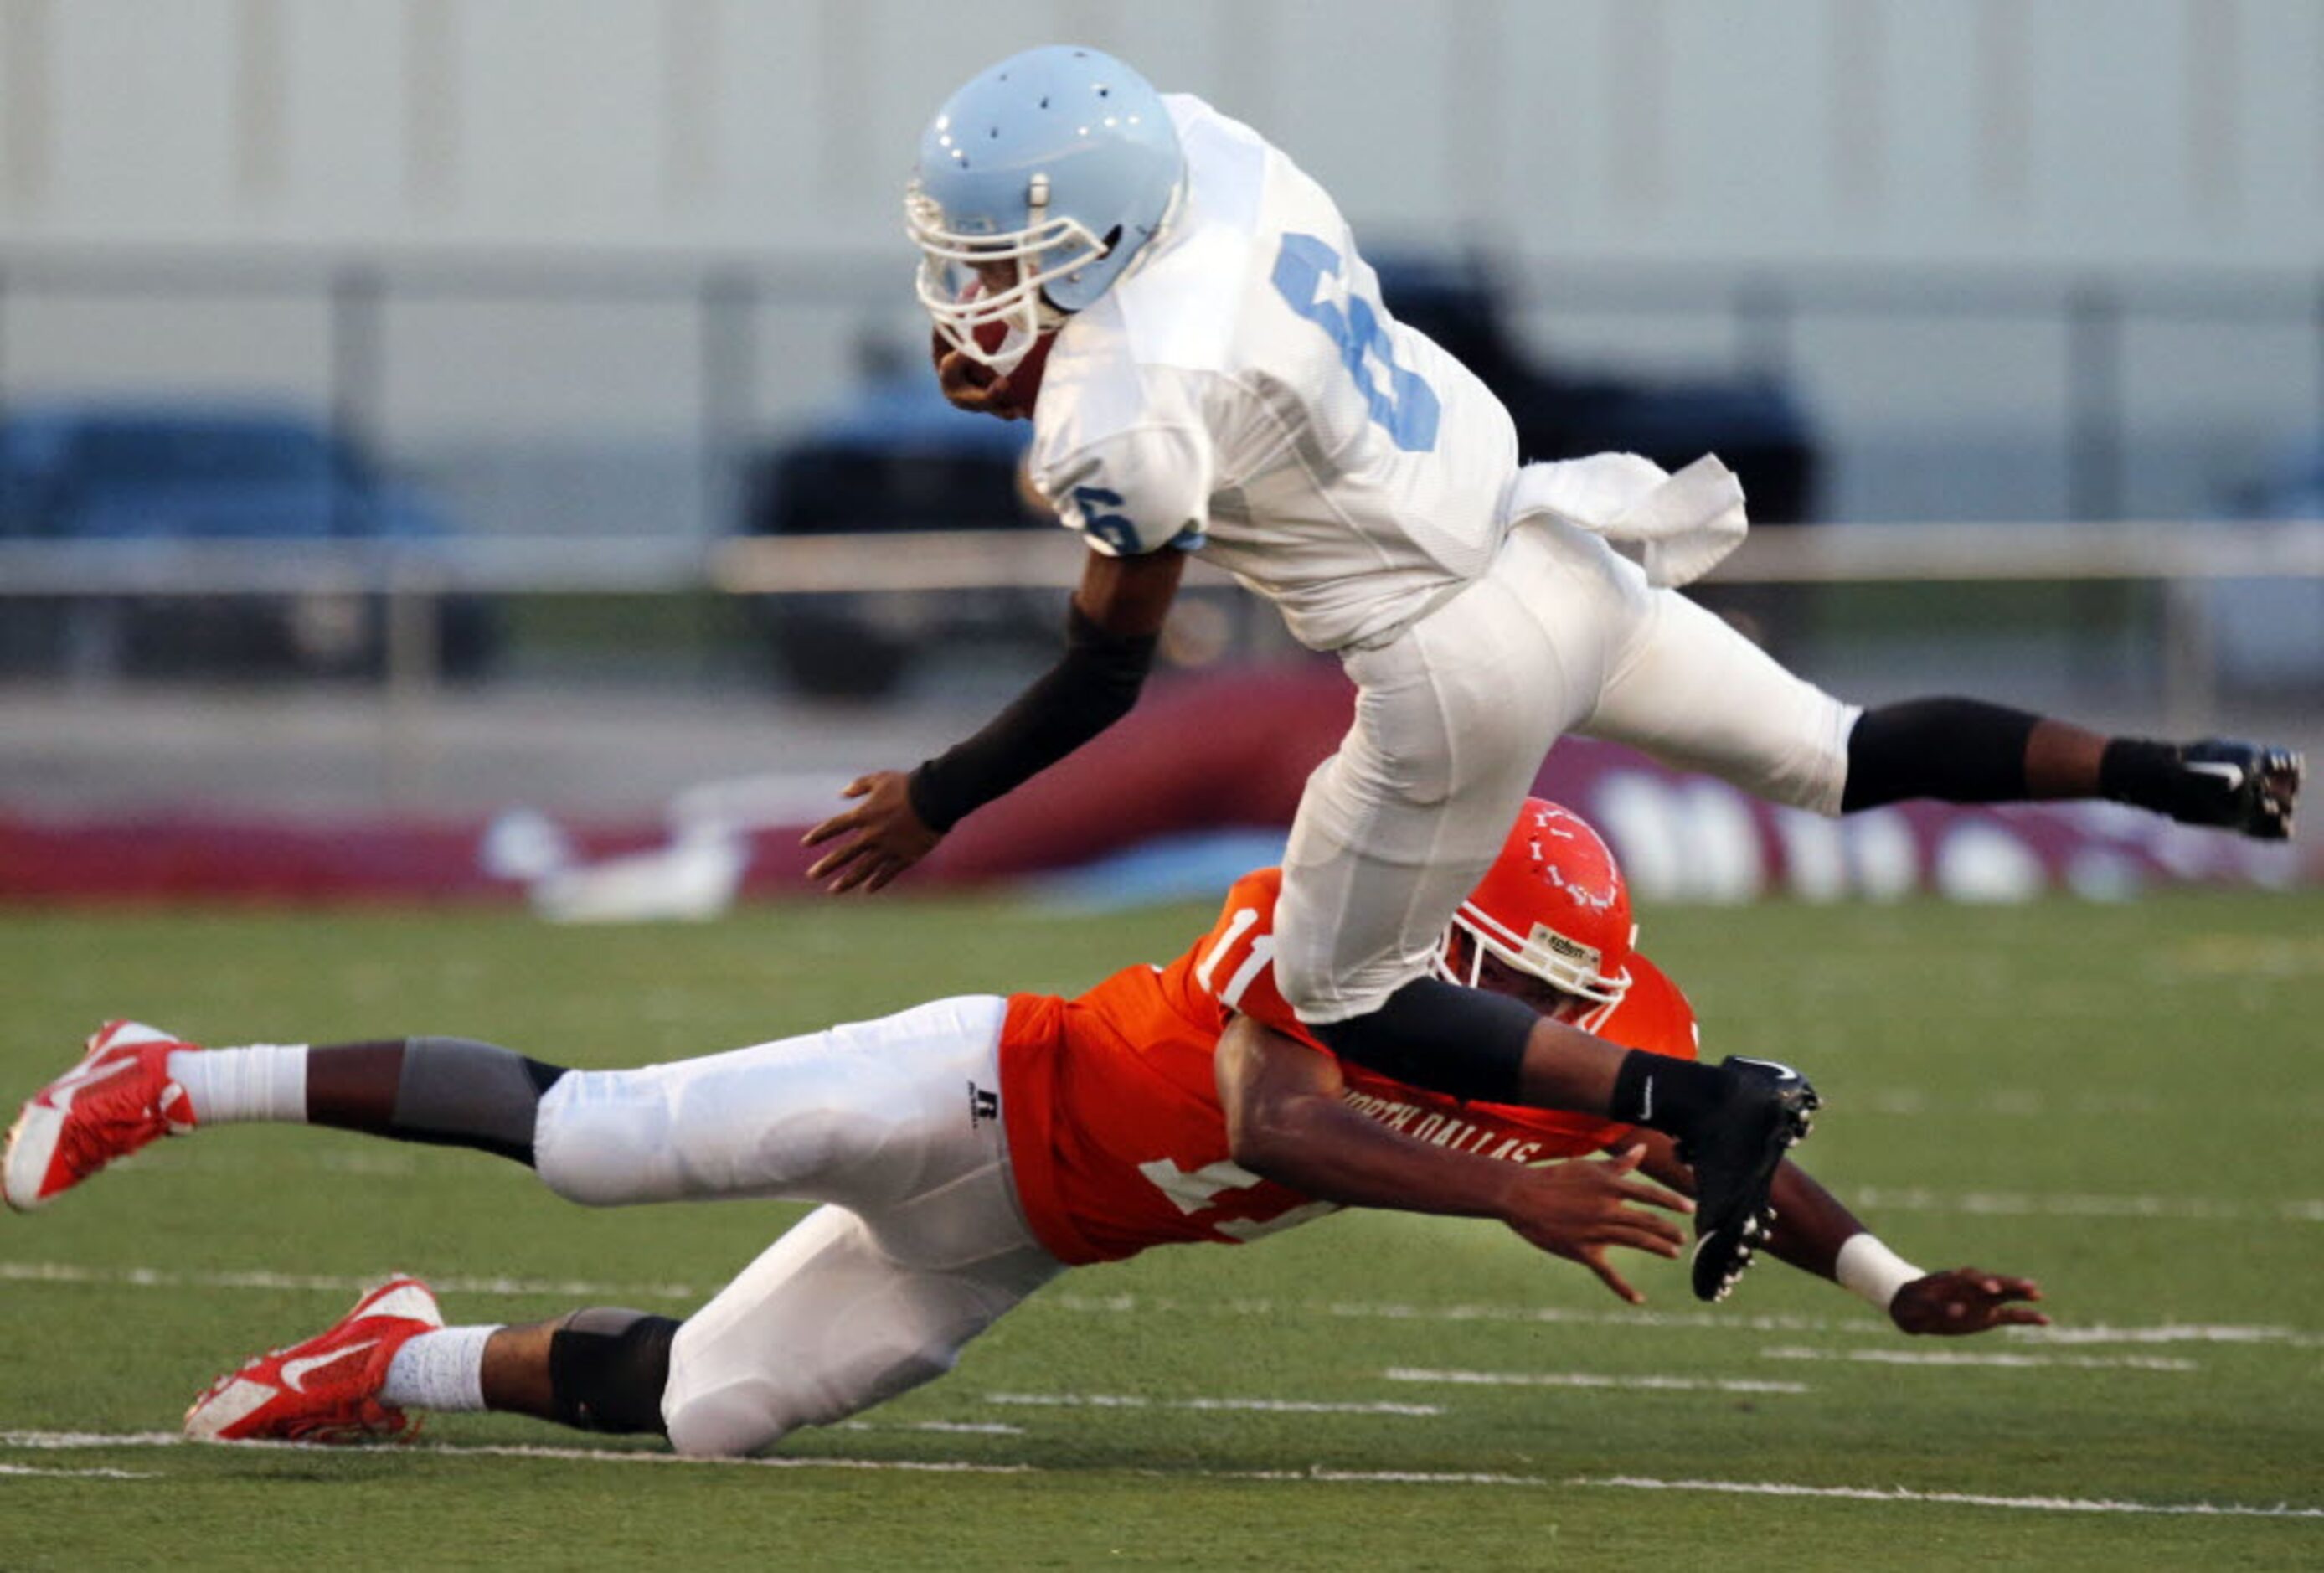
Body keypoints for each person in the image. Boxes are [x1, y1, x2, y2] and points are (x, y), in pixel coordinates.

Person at [801, 44, 2303, 1225]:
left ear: (1098, 233)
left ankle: (1701, 1102)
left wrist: (936, 796)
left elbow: (1106, 667)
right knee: (1836, 751)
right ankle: (2184, 771)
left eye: (1007, 257)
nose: (975, 293)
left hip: (1453, 652)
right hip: (1558, 545)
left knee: (1343, 996)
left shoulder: (1119, 413)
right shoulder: (1212, 160)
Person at [6, 800, 2043, 1456]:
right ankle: (169, 1067)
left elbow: (1712, 1142)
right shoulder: (1327, 918)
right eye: (1512, 986)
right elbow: (1289, 1116)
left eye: (1561, 1004)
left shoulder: (1594, 1023)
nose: (1542, 1032)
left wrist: (1874, 1279)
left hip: (1035, 1235)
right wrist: (1483, 1197)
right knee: (603, 1142)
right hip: (980, 1087)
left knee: (713, 1411)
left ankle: (392, 1354)